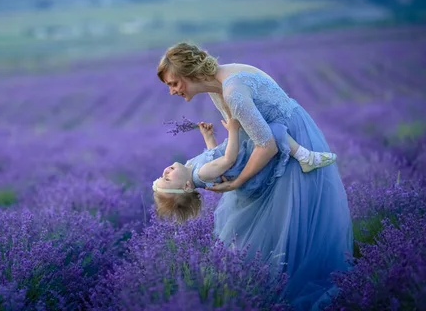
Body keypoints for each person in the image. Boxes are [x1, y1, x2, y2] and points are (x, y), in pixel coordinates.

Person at [156, 42, 354, 311]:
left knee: (288, 220)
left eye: (174, 83)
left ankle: (286, 290)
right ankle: (270, 289)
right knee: (275, 224)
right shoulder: (220, 86)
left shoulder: (232, 92)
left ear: (189, 72)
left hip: (286, 143)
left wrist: (237, 182)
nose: (172, 91)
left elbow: (268, 145)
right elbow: (244, 135)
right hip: (276, 138)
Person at [152, 119, 337, 223]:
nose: (166, 172)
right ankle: (306, 157)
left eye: (162, 176)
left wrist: (208, 137)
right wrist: (233, 130)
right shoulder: (201, 174)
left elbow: (213, 156)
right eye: (167, 179)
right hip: (242, 157)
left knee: (268, 129)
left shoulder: (192, 167)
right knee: (272, 131)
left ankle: (302, 154)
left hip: (238, 154)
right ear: (186, 186)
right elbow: (228, 159)